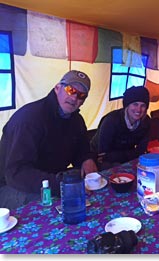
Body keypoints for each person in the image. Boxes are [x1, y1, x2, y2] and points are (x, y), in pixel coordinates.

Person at [0, 70, 98, 209]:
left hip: (51, 179)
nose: (74, 98)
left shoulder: (76, 120)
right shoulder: (30, 119)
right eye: (71, 90)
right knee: (59, 206)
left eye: (81, 95)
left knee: (92, 196)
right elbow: (16, 173)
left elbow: (81, 150)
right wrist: (60, 185)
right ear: (57, 88)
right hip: (11, 186)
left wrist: (86, 159)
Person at [90, 86, 151, 169]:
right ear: (127, 105)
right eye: (135, 104)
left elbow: (141, 150)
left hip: (123, 159)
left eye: (143, 105)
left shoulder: (146, 122)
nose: (139, 109)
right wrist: (131, 153)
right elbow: (103, 155)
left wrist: (121, 155)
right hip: (98, 161)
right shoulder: (111, 121)